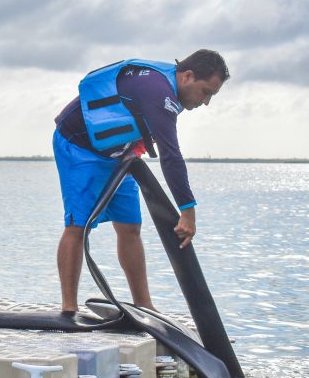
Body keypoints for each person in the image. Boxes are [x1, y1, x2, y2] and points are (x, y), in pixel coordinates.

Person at [53, 50, 229, 313]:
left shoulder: (171, 87)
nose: (205, 102)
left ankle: (143, 304)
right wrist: (187, 210)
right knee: (77, 226)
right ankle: (69, 310)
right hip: (79, 147)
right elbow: (170, 155)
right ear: (188, 76)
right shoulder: (157, 91)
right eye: (206, 93)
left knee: (130, 226)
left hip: (119, 155)